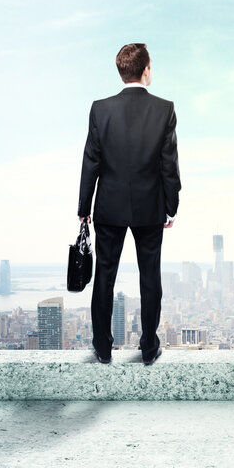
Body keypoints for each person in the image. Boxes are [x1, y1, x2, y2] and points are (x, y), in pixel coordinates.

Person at [77, 43, 181, 365]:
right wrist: (171, 205)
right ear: (145, 70)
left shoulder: (100, 109)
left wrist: (84, 208)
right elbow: (169, 164)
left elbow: (90, 161)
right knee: (150, 277)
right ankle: (149, 347)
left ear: (122, 71)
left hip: (108, 207)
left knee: (104, 277)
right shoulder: (164, 109)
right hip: (150, 208)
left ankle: (103, 348)